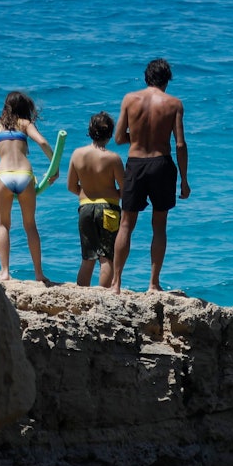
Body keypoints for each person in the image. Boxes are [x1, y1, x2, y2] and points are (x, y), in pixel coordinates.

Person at [110, 58, 190, 294]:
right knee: (159, 225)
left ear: (147, 78)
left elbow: (118, 138)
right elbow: (180, 144)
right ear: (167, 80)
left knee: (126, 224)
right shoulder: (174, 104)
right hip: (161, 164)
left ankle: (116, 283)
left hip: (136, 164)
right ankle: (153, 283)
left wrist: (136, 137)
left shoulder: (129, 99)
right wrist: (184, 180)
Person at [0, 91, 55, 282]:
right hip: (25, 175)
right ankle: (39, 273)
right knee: (30, 225)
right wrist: (54, 166)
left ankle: (5, 272)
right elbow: (43, 142)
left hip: (4, 176)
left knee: (3, 224)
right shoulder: (25, 124)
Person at [67, 112, 125, 287]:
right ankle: (103, 293)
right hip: (108, 209)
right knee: (106, 257)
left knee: (88, 257)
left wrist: (87, 194)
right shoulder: (113, 158)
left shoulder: (77, 154)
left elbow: (71, 186)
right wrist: (113, 194)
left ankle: (82, 293)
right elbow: (125, 189)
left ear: (90, 131)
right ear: (110, 133)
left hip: (85, 208)